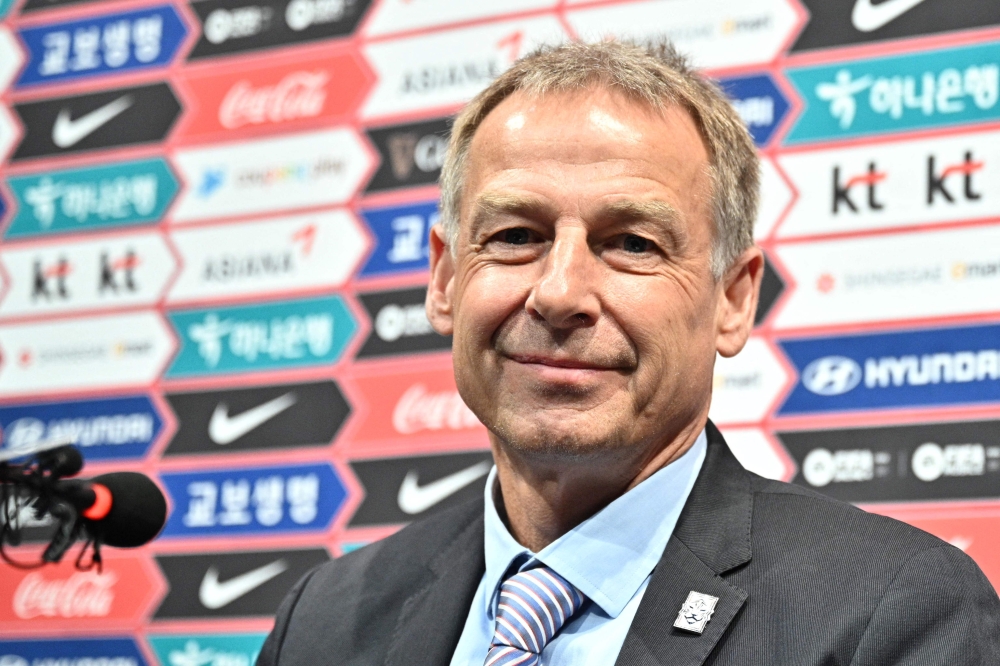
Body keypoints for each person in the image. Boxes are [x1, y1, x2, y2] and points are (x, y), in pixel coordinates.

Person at [256, 40, 1000, 666]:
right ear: (447, 277)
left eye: (632, 244)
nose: (559, 292)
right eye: (515, 235)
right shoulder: (323, 622)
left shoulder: (891, 615)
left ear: (733, 301)